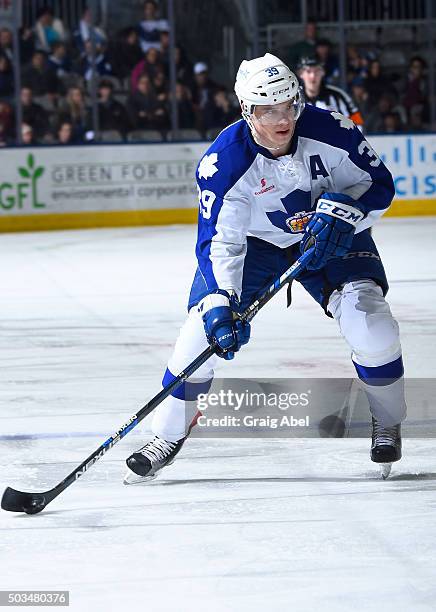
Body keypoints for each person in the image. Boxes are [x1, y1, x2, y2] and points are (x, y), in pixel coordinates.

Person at [124, 53, 406, 484]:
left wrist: (347, 210)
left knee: (372, 326)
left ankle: (387, 420)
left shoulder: (333, 130)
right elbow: (222, 242)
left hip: (330, 233)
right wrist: (221, 301)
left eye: (289, 105)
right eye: (268, 109)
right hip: (255, 247)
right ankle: (166, 435)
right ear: (246, 111)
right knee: (200, 334)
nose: (282, 118)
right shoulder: (225, 165)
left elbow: (379, 186)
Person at [298, 55, 364, 128]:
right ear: (301, 74)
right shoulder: (293, 98)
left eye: (317, 70)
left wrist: (354, 137)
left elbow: (357, 120)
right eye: (308, 71)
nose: (313, 76)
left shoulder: (338, 95)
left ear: (323, 72)